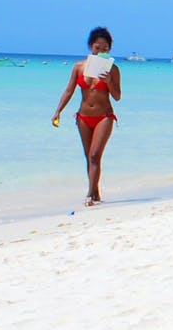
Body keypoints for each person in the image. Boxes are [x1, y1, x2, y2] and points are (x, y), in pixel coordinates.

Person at [52, 26, 122, 205]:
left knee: (94, 155)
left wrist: (108, 82)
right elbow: (69, 90)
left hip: (104, 116)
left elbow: (117, 96)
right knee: (88, 156)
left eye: (105, 49)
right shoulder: (79, 67)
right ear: (91, 46)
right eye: (98, 48)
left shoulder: (113, 70)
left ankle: (90, 195)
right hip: (83, 117)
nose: (101, 52)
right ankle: (96, 192)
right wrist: (58, 111)